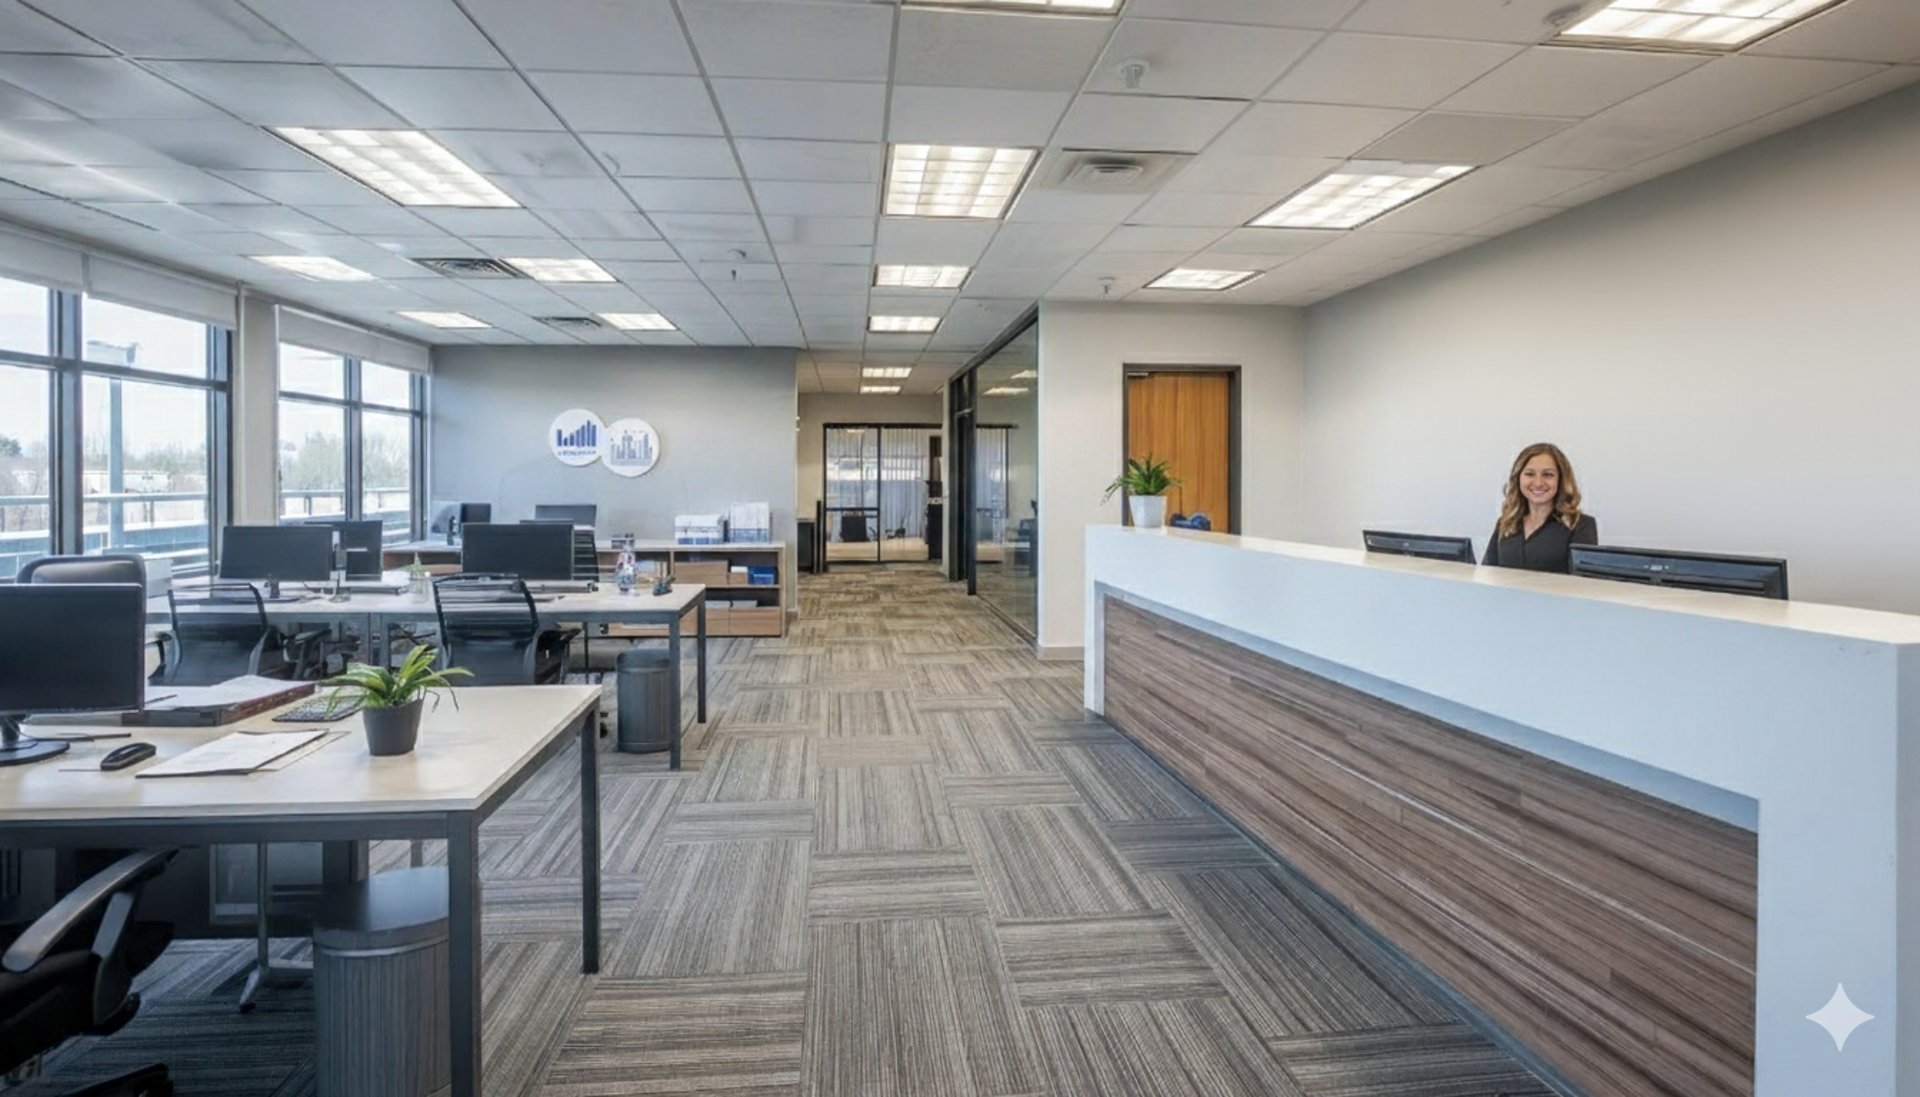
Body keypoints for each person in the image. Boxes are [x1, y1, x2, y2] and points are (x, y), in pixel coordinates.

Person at [1483, 442, 1597, 572]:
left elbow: (1585, 586)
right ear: (1518, 478)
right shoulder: (1506, 523)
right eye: (1530, 474)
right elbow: (1488, 575)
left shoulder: (1580, 525)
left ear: (1561, 480)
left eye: (1547, 474)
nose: (1538, 483)